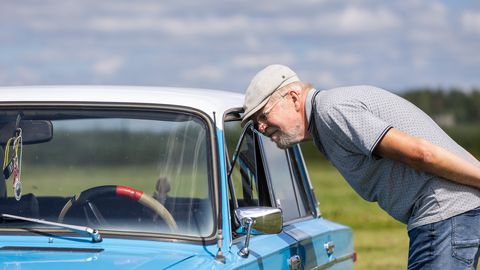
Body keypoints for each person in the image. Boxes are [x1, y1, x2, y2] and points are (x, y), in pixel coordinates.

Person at [241, 64, 480, 270]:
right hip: (449, 216)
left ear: (293, 98)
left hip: (443, 215)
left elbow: (421, 154)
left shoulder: (331, 111)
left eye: (264, 114)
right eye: (255, 123)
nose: (261, 127)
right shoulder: (326, 118)